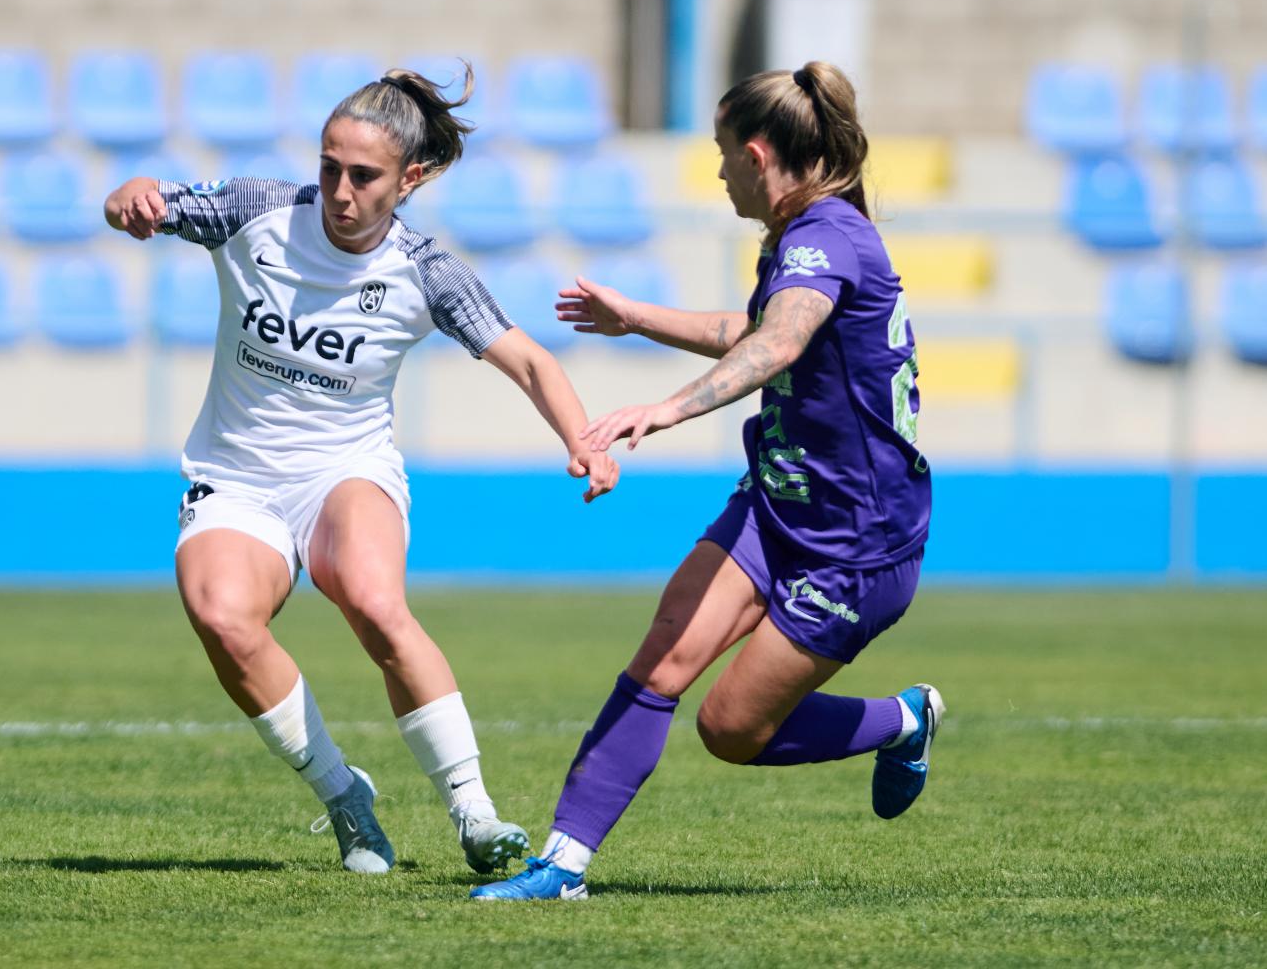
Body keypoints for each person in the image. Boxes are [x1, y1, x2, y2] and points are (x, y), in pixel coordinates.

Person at [103, 64, 619, 877]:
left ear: (409, 179)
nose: (340, 190)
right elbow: (149, 200)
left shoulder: (425, 271)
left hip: (346, 469)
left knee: (375, 603)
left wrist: (581, 439)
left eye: (364, 175)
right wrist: (131, 196)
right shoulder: (257, 211)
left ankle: (474, 814)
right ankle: (346, 798)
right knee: (224, 619)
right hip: (235, 478)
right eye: (328, 168)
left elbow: (525, 360)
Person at [471, 62, 939, 901]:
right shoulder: (801, 238)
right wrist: (636, 319)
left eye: (724, 155)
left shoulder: (827, 236)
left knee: (730, 729)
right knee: (659, 662)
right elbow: (756, 327)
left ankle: (903, 720)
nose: (720, 172)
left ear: (757, 156)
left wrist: (665, 410)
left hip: (857, 544)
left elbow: (776, 346)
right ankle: (562, 867)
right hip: (777, 502)